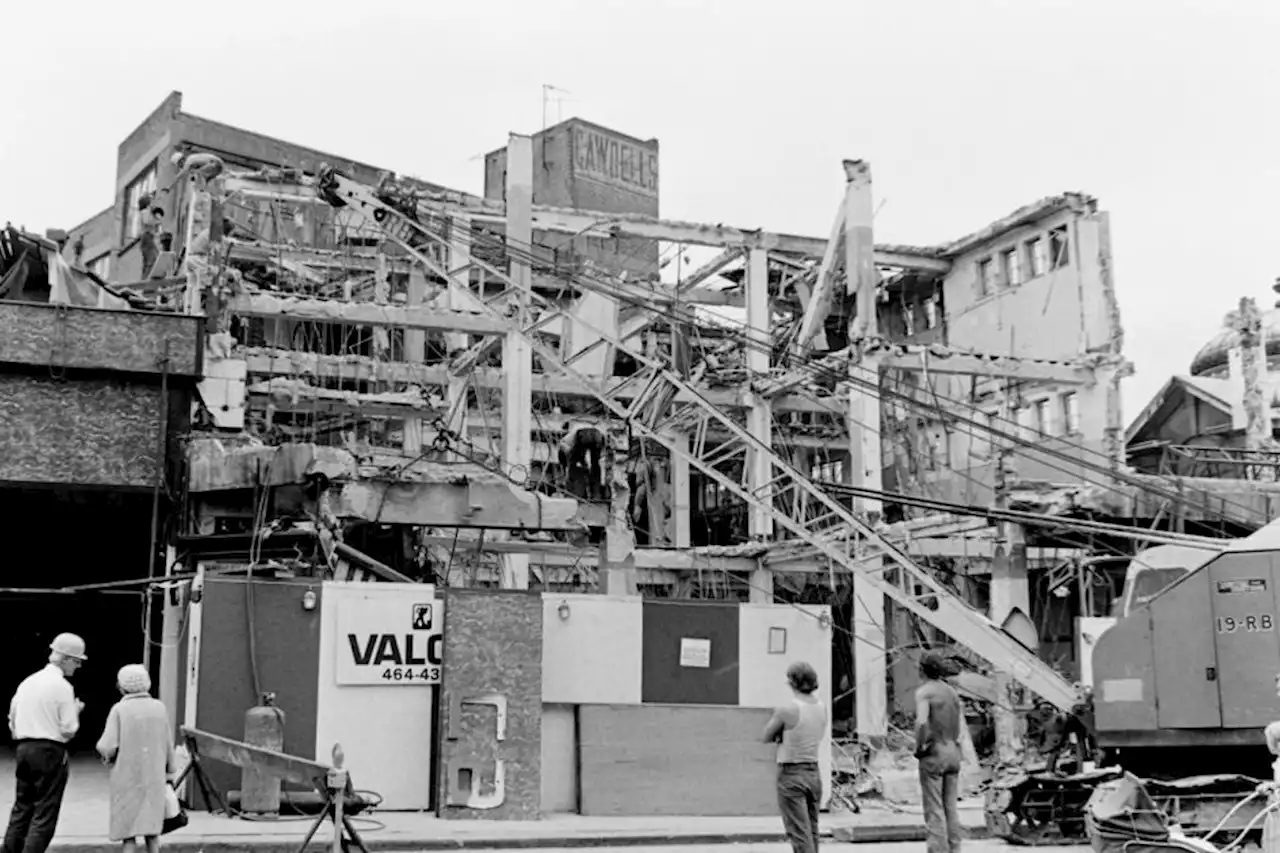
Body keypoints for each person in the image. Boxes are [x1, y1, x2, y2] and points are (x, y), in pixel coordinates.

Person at [3, 633, 88, 853]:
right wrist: (76, 711)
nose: (78, 666)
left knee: (22, 808)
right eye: (77, 661)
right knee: (44, 813)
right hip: (50, 749)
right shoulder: (63, 688)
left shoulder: (27, 683)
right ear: (67, 659)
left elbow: (12, 719)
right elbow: (69, 729)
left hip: (23, 747)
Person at [96, 665, 175, 853]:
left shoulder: (120, 710)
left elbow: (107, 745)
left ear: (122, 686)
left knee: (129, 830)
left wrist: (107, 757)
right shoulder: (159, 708)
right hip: (154, 776)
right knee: (152, 828)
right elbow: (168, 741)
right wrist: (171, 769)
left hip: (127, 776)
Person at [762, 661, 827, 853]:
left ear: (792, 682)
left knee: (799, 833)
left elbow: (766, 736)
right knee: (812, 830)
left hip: (791, 772)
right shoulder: (822, 707)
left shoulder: (787, 710)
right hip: (813, 771)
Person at [915, 652, 964, 853]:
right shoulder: (951, 692)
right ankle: (955, 849)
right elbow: (958, 725)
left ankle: (938, 850)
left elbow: (922, 722)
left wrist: (919, 747)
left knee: (934, 809)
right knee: (950, 808)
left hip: (934, 754)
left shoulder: (924, 692)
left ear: (921, 669)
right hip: (953, 752)